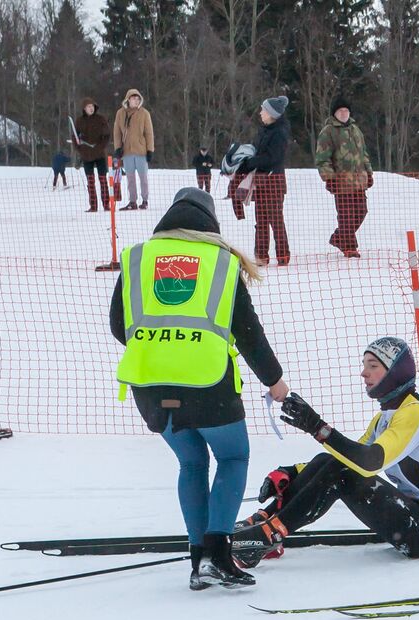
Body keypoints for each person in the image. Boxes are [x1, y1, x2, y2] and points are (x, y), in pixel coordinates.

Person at [109, 187, 289, 590]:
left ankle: (197, 561)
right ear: (210, 224)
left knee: (191, 464)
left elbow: (119, 326)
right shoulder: (220, 262)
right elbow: (248, 333)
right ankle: (219, 555)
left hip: (151, 388)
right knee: (233, 457)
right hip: (209, 387)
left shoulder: (138, 259)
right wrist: (274, 381)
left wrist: (164, 348)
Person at [233, 336, 419, 567]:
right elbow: (344, 457)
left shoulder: (415, 414)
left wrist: (317, 427)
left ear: (395, 372)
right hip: (415, 517)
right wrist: (292, 472)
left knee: (342, 473)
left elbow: (369, 462)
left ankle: (266, 536)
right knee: (331, 461)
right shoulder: (387, 417)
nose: (364, 373)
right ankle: (264, 521)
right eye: (364, 365)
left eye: (373, 365)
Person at [234, 96, 291, 266]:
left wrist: (251, 162)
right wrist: (244, 161)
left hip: (274, 181)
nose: (260, 113)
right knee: (261, 220)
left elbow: (272, 158)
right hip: (260, 182)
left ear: (272, 114)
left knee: (275, 219)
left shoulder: (279, 133)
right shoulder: (264, 130)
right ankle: (261, 255)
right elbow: (257, 152)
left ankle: (283, 255)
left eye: (263, 110)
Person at [315, 95, 373, 258]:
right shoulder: (328, 132)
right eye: (340, 111)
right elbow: (322, 158)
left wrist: (368, 173)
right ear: (335, 113)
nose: (344, 113)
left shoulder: (355, 129)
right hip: (341, 182)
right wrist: (329, 178)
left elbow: (364, 154)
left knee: (361, 212)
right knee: (346, 216)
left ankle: (338, 237)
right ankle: (349, 247)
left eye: (346, 110)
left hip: (359, 181)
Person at [113, 88, 155, 210]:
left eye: (138, 99)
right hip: (127, 151)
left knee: (143, 177)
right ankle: (132, 201)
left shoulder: (144, 113)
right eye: (133, 98)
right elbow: (117, 132)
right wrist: (118, 148)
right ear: (128, 99)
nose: (136, 101)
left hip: (141, 151)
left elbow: (149, 133)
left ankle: (145, 200)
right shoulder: (120, 113)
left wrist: (150, 150)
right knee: (130, 178)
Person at [73, 97, 112, 213]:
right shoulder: (79, 121)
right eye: (88, 107)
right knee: (90, 181)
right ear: (84, 109)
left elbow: (107, 136)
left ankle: (106, 205)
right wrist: (80, 148)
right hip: (86, 155)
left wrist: (100, 147)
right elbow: (75, 137)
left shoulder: (101, 119)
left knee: (103, 180)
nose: (91, 109)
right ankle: (93, 206)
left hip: (99, 153)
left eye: (92, 106)